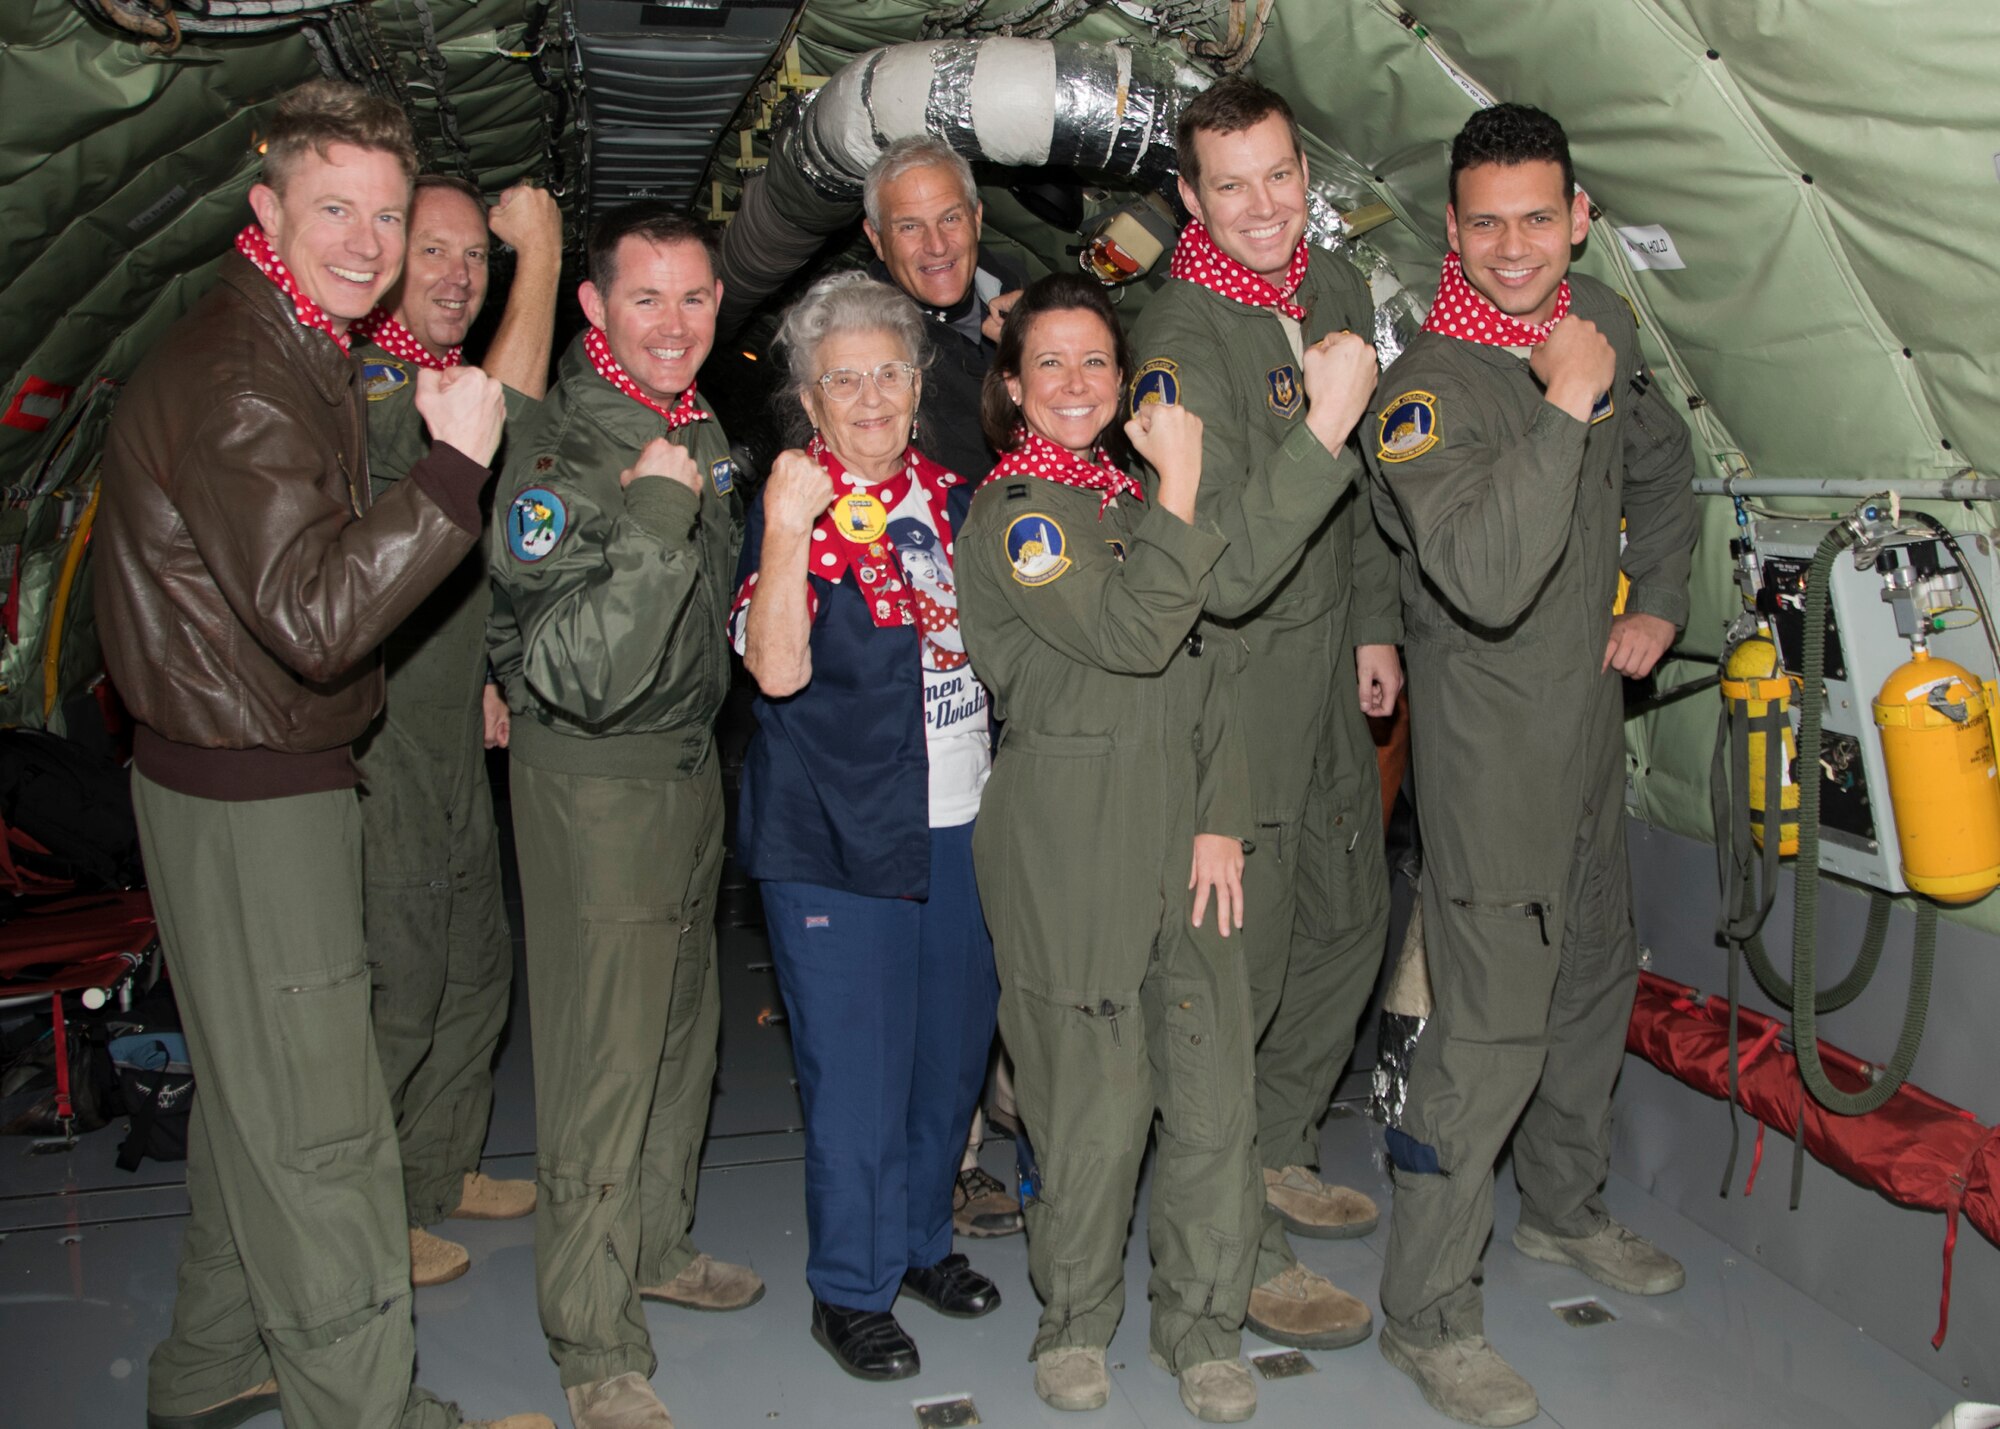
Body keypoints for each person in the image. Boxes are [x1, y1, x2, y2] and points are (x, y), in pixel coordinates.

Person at [92, 80, 546, 1429]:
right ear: (267, 207)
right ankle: (367, 1405)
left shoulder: (284, 340)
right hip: (251, 777)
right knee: (326, 1123)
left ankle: (213, 1356)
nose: (364, 241)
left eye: (386, 216)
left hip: (227, 757)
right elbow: (318, 617)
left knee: (252, 1102)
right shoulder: (245, 379)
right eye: (332, 208)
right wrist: (451, 477)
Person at [960, 273, 1347, 1423]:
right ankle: (1073, 1324)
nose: (1075, 384)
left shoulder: (1132, 505)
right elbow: (1133, 637)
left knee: (1212, 1091)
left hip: (1187, 836)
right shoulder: (1020, 517)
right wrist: (1181, 482)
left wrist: (1222, 814)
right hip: (1068, 843)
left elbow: (1210, 663)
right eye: (1050, 365)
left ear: (1122, 381)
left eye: (1095, 363)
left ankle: (1203, 1326)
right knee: (1093, 1103)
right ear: (1012, 388)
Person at [1362, 103, 1697, 1426]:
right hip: (1490, 745)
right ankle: (1429, 1316)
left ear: (1579, 221)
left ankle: (1563, 1212)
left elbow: (1663, 470)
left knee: (1592, 982)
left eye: (1537, 219)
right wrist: (1561, 399)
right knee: (1486, 1037)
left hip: (1585, 738)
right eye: (1484, 222)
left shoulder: (1596, 320)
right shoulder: (1427, 394)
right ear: (1452, 228)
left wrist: (1660, 596)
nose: (1512, 247)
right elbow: (1492, 580)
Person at [1127, 75, 1398, 1353]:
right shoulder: (1177, 340)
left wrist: (1372, 620)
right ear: (1187, 197)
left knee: (1347, 920)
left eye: (1279, 176)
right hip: (1230, 679)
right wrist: (1324, 424)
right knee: (1231, 972)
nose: (1260, 209)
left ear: (1308, 174)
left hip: (1325, 659)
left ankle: (1281, 1144)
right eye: (1227, 186)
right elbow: (1223, 564)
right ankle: (1242, 1243)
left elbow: (1368, 493)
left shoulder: (1330, 291)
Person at [489, 205, 757, 1429]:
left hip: (686, 770)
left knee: (678, 1035)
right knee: (603, 1061)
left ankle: (652, 1243)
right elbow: (577, 670)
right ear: (591, 308)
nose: (673, 325)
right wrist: (654, 519)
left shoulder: (688, 421)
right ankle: (592, 1339)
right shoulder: (557, 456)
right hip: (596, 780)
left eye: (694, 298)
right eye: (644, 299)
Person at [730, 271, 1004, 1383]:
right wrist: (786, 530)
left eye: (887, 371)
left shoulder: (954, 500)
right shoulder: (791, 506)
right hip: (835, 836)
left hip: (961, 821)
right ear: (809, 394)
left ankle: (921, 1242)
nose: (871, 394)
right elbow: (777, 669)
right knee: (856, 1074)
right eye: (844, 378)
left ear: (915, 379)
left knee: (946, 1062)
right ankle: (848, 1287)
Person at [348, 173, 563, 1287]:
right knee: (403, 975)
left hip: (445, 710)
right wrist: (543, 258)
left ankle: (437, 1168)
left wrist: (485, 666)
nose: (456, 276)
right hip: (383, 735)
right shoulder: (370, 377)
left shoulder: (431, 375)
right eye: (432, 250)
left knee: (478, 965)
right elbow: (506, 431)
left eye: (476, 259)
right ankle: (365, 1217)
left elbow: (461, 549)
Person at [861, 134, 1032, 1237]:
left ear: (976, 222)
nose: (933, 243)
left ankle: (1007, 1096)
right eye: (907, 226)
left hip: (1017, 668)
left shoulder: (1005, 338)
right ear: (875, 243)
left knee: (1008, 912)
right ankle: (950, 1155)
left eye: (949, 219)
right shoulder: (869, 354)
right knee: (938, 938)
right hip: (917, 691)